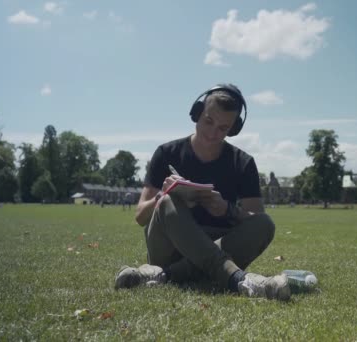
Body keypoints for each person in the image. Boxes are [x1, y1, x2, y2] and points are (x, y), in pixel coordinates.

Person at [114, 84, 290, 301]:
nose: (212, 133)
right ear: (197, 114)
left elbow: (255, 219)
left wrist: (227, 210)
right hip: (169, 246)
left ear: (233, 129)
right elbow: (141, 216)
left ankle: (164, 276)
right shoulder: (165, 153)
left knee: (265, 224)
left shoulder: (243, 163)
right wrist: (163, 194)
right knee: (168, 200)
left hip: (217, 242)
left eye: (223, 128)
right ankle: (237, 279)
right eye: (208, 121)